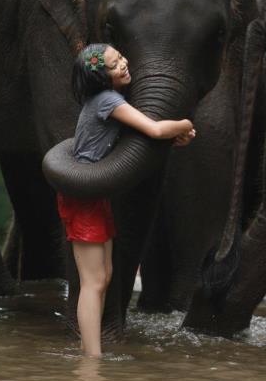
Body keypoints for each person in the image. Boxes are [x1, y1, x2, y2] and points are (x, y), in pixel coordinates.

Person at [57, 43, 195, 357]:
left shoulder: (109, 101)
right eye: (114, 63)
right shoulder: (107, 100)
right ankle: (91, 361)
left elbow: (138, 142)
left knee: (103, 276)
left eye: (120, 57)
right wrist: (185, 124)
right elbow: (155, 129)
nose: (123, 63)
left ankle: (89, 350)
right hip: (84, 196)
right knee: (93, 281)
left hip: (95, 195)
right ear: (100, 77)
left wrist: (173, 136)